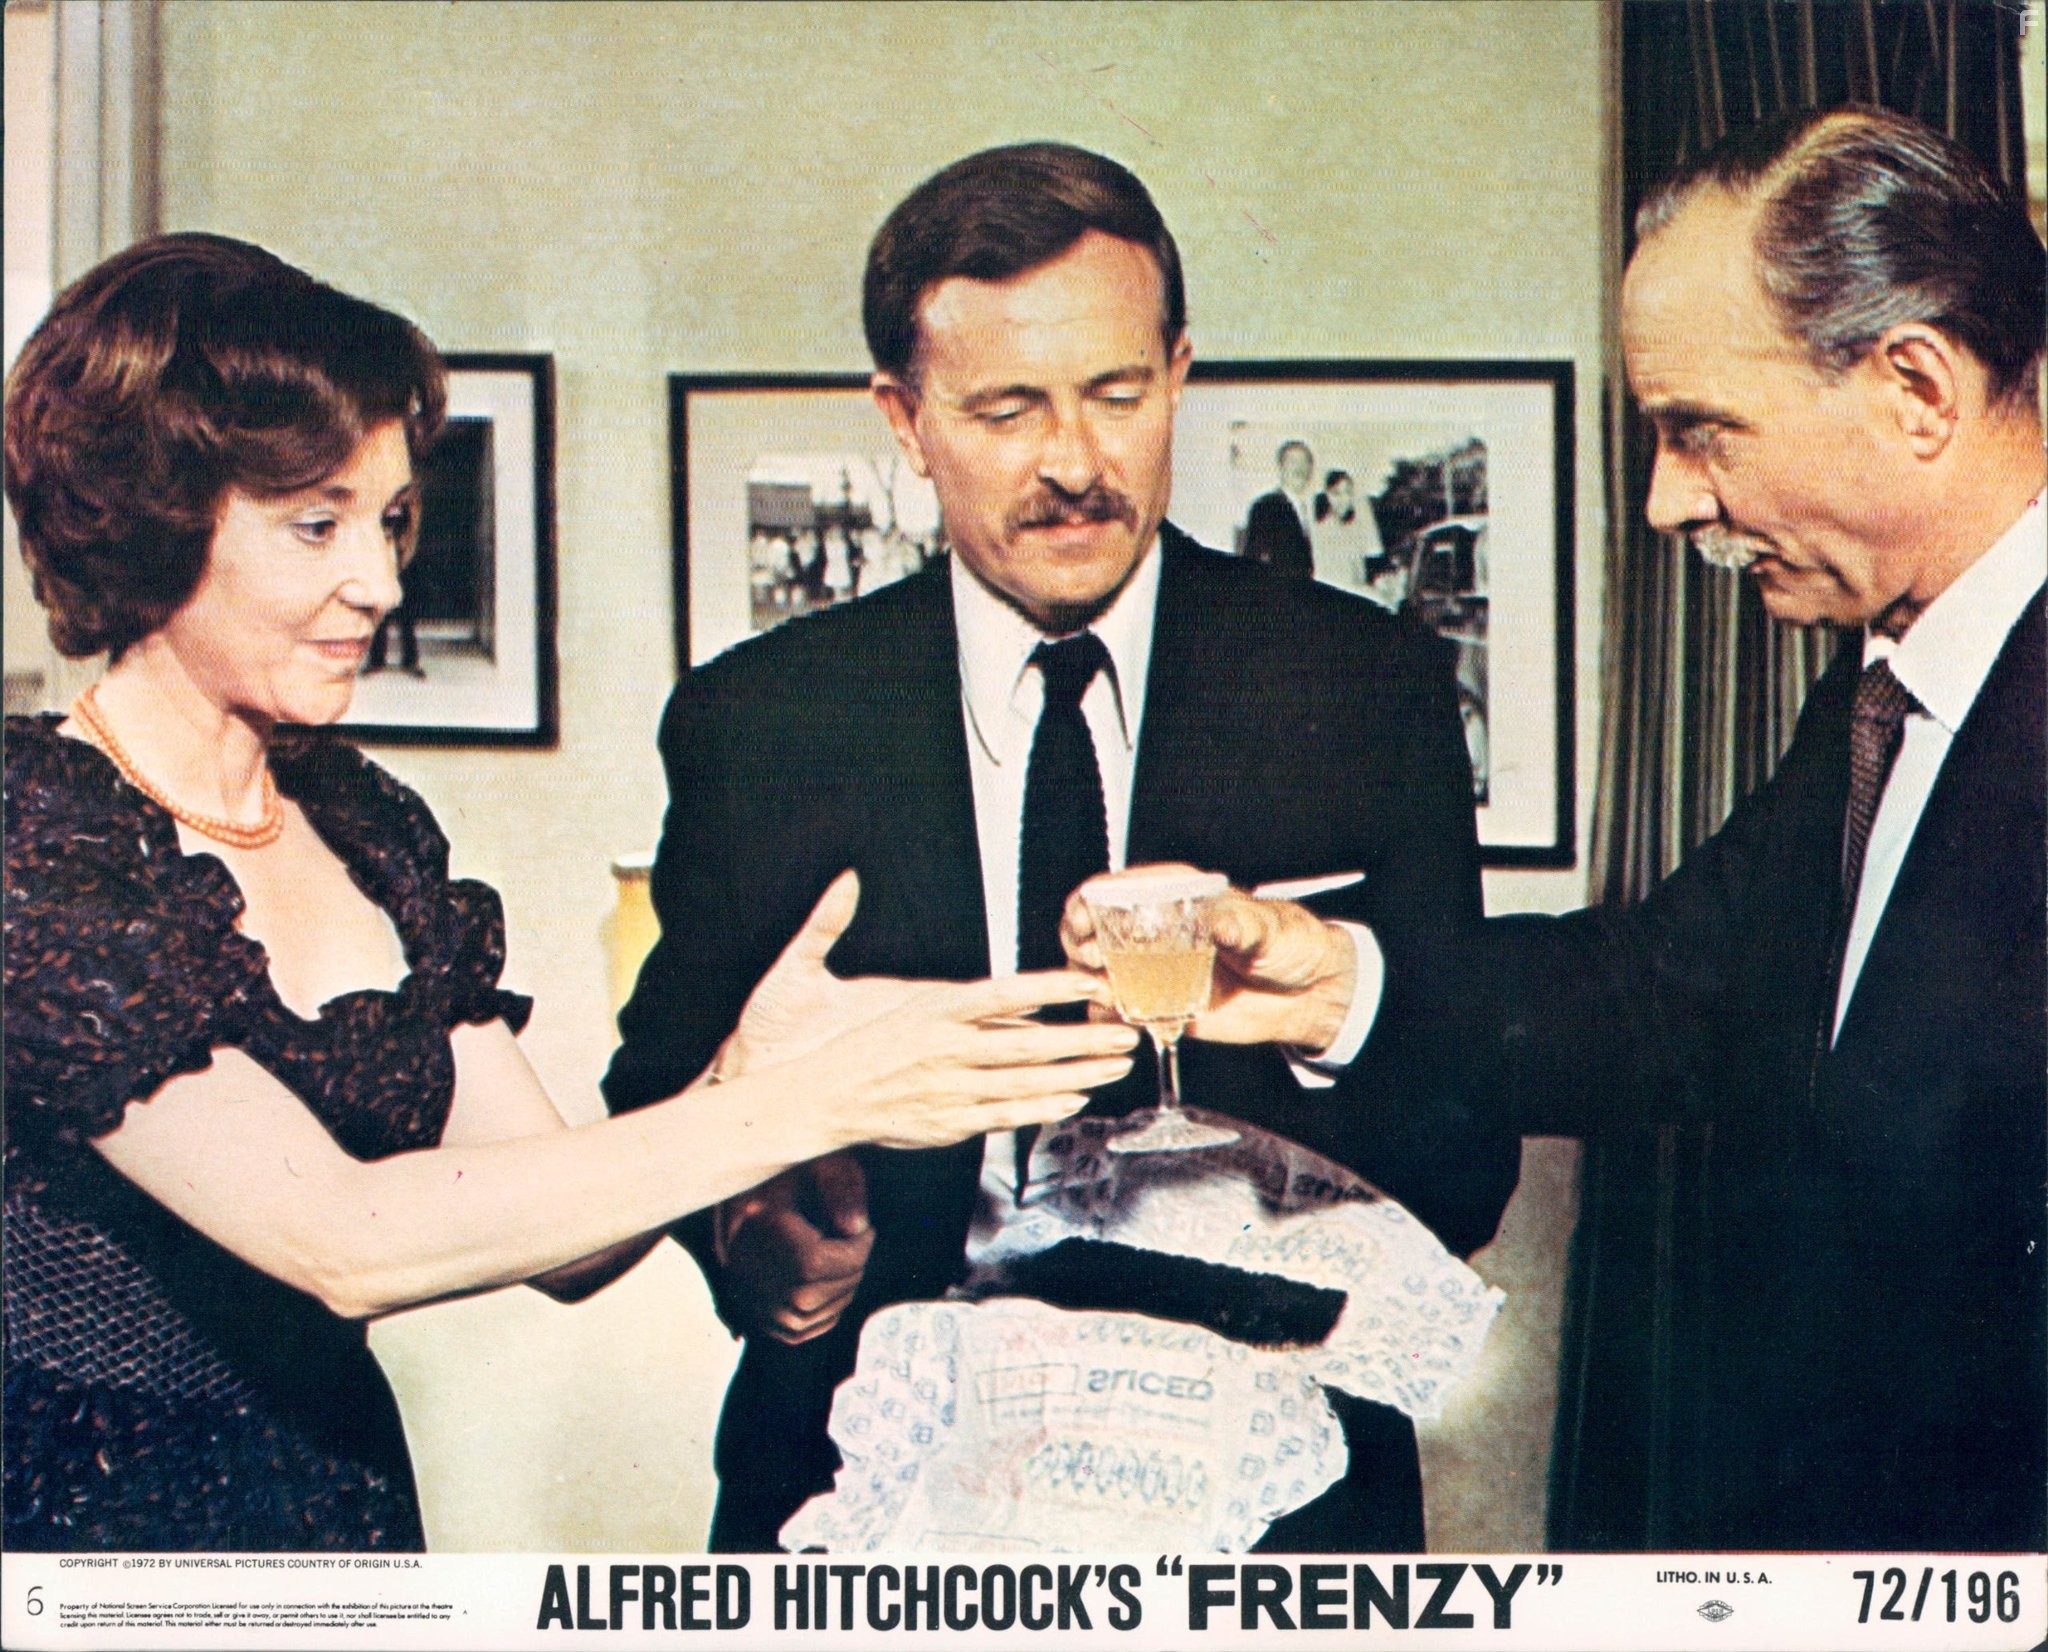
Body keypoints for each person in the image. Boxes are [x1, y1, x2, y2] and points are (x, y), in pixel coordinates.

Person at [0, 233, 1136, 1552]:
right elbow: (342, 1240)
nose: (379, 581)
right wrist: (813, 1099)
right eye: (317, 525)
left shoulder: (361, 824)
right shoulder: (34, 841)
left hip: (335, 1509)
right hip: (89, 1529)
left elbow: (564, 1243)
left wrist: (741, 1068)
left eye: (391, 520)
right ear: (151, 517)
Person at [1075, 107, 2046, 1551]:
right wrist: (1334, 981)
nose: (1666, 501)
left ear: (1916, 389)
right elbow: (1671, 994)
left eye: (1700, 430)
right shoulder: (1883, 691)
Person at [605, 142, 1518, 1553]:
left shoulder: (1365, 686)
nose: (1074, 464)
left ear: (1180, 374)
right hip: (869, 1495)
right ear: (904, 419)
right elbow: (658, 1099)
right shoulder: (759, 720)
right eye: (1006, 409)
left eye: (1117, 394)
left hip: (1264, 1514)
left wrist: (1325, 1021)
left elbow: (1467, 1156)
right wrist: (748, 1238)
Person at [1240, 438, 1316, 577]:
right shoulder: (1266, 507)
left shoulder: (1314, 509)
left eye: (1305, 462)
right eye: (1293, 461)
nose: (1300, 468)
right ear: (1281, 467)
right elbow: (1253, 560)